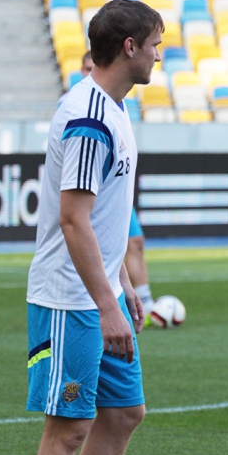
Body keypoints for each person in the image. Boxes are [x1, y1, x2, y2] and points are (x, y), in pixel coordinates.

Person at [27, 0, 164, 455]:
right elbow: (74, 220)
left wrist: (126, 285)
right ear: (129, 47)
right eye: (154, 44)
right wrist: (107, 303)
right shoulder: (88, 117)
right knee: (68, 429)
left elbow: (105, 218)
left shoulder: (115, 107)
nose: (159, 55)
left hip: (102, 292)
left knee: (123, 412)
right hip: (70, 299)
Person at [81, 51, 156, 317]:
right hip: (92, 193)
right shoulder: (79, 108)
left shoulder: (118, 104)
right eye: (86, 68)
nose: (157, 56)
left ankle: (144, 300)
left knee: (134, 241)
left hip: (113, 191)